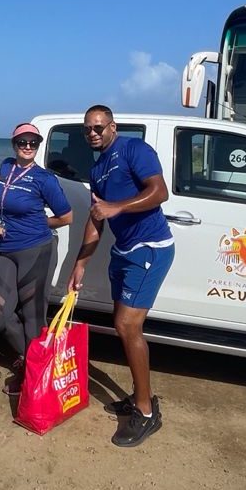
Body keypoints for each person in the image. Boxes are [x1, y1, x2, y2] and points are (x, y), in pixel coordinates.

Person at [67, 105, 174, 448]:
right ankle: (139, 395)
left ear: (112, 127)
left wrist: (119, 206)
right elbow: (96, 219)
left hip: (150, 247)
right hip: (124, 252)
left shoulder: (133, 149)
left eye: (98, 127)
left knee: (129, 326)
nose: (93, 134)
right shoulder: (97, 169)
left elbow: (159, 192)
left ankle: (145, 411)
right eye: (88, 130)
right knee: (122, 325)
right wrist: (81, 262)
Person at [0, 123, 72, 395]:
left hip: (36, 250)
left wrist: (41, 224)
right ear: (14, 145)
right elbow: (1, 179)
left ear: (39, 145)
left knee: (33, 317)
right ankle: (33, 359)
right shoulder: (8, 166)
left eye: (33, 142)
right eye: (23, 142)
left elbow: (67, 217)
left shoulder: (45, 179)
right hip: (7, 250)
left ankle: (34, 375)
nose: (28, 146)